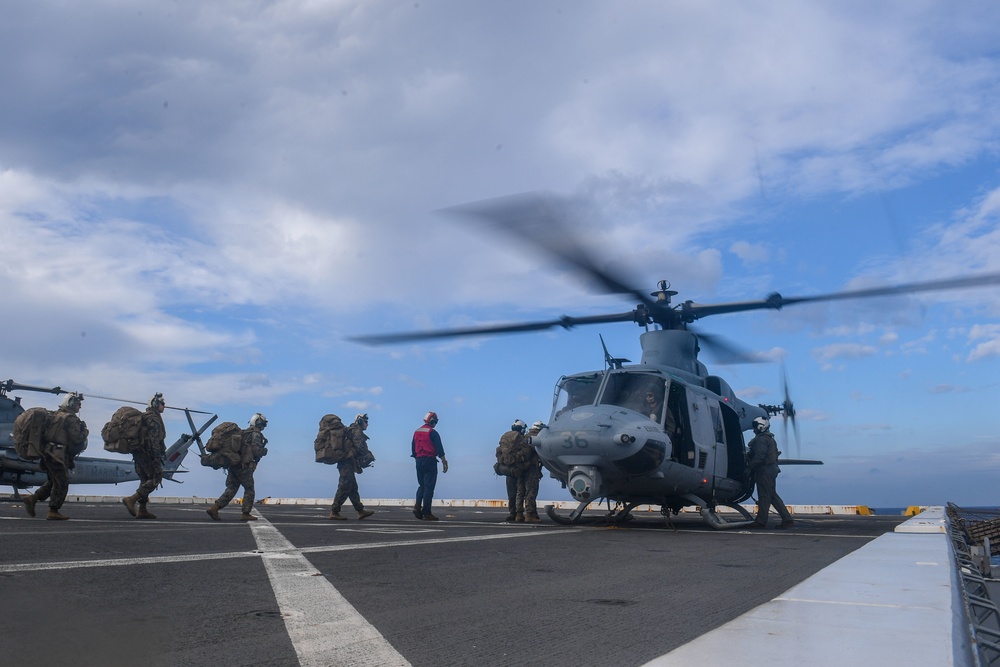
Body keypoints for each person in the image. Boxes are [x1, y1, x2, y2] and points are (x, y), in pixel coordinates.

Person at [23, 392, 89, 521]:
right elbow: (76, 438)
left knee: (54, 481)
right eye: (78, 404)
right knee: (62, 482)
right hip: (58, 455)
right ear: (71, 403)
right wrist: (85, 431)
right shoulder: (71, 419)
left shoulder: (54, 416)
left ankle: (33, 498)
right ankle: (54, 510)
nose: (79, 407)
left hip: (47, 453)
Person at [206, 413, 268, 522]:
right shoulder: (256, 434)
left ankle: (214, 508)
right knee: (249, 489)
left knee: (231, 488)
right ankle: (246, 513)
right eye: (263, 424)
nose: (263, 426)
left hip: (234, 464)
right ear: (259, 423)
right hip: (244, 466)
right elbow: (256, 451)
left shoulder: (244, 432)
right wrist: (264, 451)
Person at [122, 393, 167, 519]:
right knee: (155, 478)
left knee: (144, 480)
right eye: (162, 403)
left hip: (139, 454)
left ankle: (142, 509)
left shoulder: (145, 417)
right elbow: (154, 441)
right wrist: (156, 457)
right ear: (155, 404)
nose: (164, 406)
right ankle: (132, 499)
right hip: (148, 454)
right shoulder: (153, 419)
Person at [746, 416, 794, 529]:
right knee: (772, 495)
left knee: (764, 496)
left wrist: (749, 468)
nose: (754, 430)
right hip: (771, 469)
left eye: (755, 427)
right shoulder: (769, 439)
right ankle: (787, 519)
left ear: (761, 427)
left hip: (765, 470)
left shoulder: (762, 440)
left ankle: (761, 521)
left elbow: (759, 457)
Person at [329, 413, 375, 521]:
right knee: (345, 486)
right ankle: (334, 511)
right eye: (366, 421)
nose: (367, 424)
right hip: (346, 462)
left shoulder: (352, 431)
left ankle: (360, 511)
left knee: (353, 488)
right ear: (360, 421)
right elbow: (360, 447)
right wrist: (369, 455)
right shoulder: (356, 431)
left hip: (347, 461)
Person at [412, 411, 447, 521]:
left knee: (421, 485)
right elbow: (439, 449)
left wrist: (417, 459)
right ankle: (427, 512)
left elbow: (413, 448)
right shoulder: (433, 433)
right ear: (432, 421)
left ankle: (417, 507)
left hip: (418, 461)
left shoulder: (416, 432)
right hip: (430, 461)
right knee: (429, 487)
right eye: (435, 421)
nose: (435, 423)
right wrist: (444, 462)